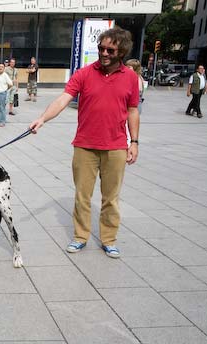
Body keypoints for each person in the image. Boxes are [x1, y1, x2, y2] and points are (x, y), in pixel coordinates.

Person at [29, 28, 139, 259]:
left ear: (121, 52)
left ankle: (109, 240)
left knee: (111, 198)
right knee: (82, 195)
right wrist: (42, 119)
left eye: (110, 49)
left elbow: (132, 110)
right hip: (85, 146)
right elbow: (63, 99)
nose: (104, 53)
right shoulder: (84, 73)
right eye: (101, 48)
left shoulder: (130, 77)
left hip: (116, 146)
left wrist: (134, 142)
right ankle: (80, 237)